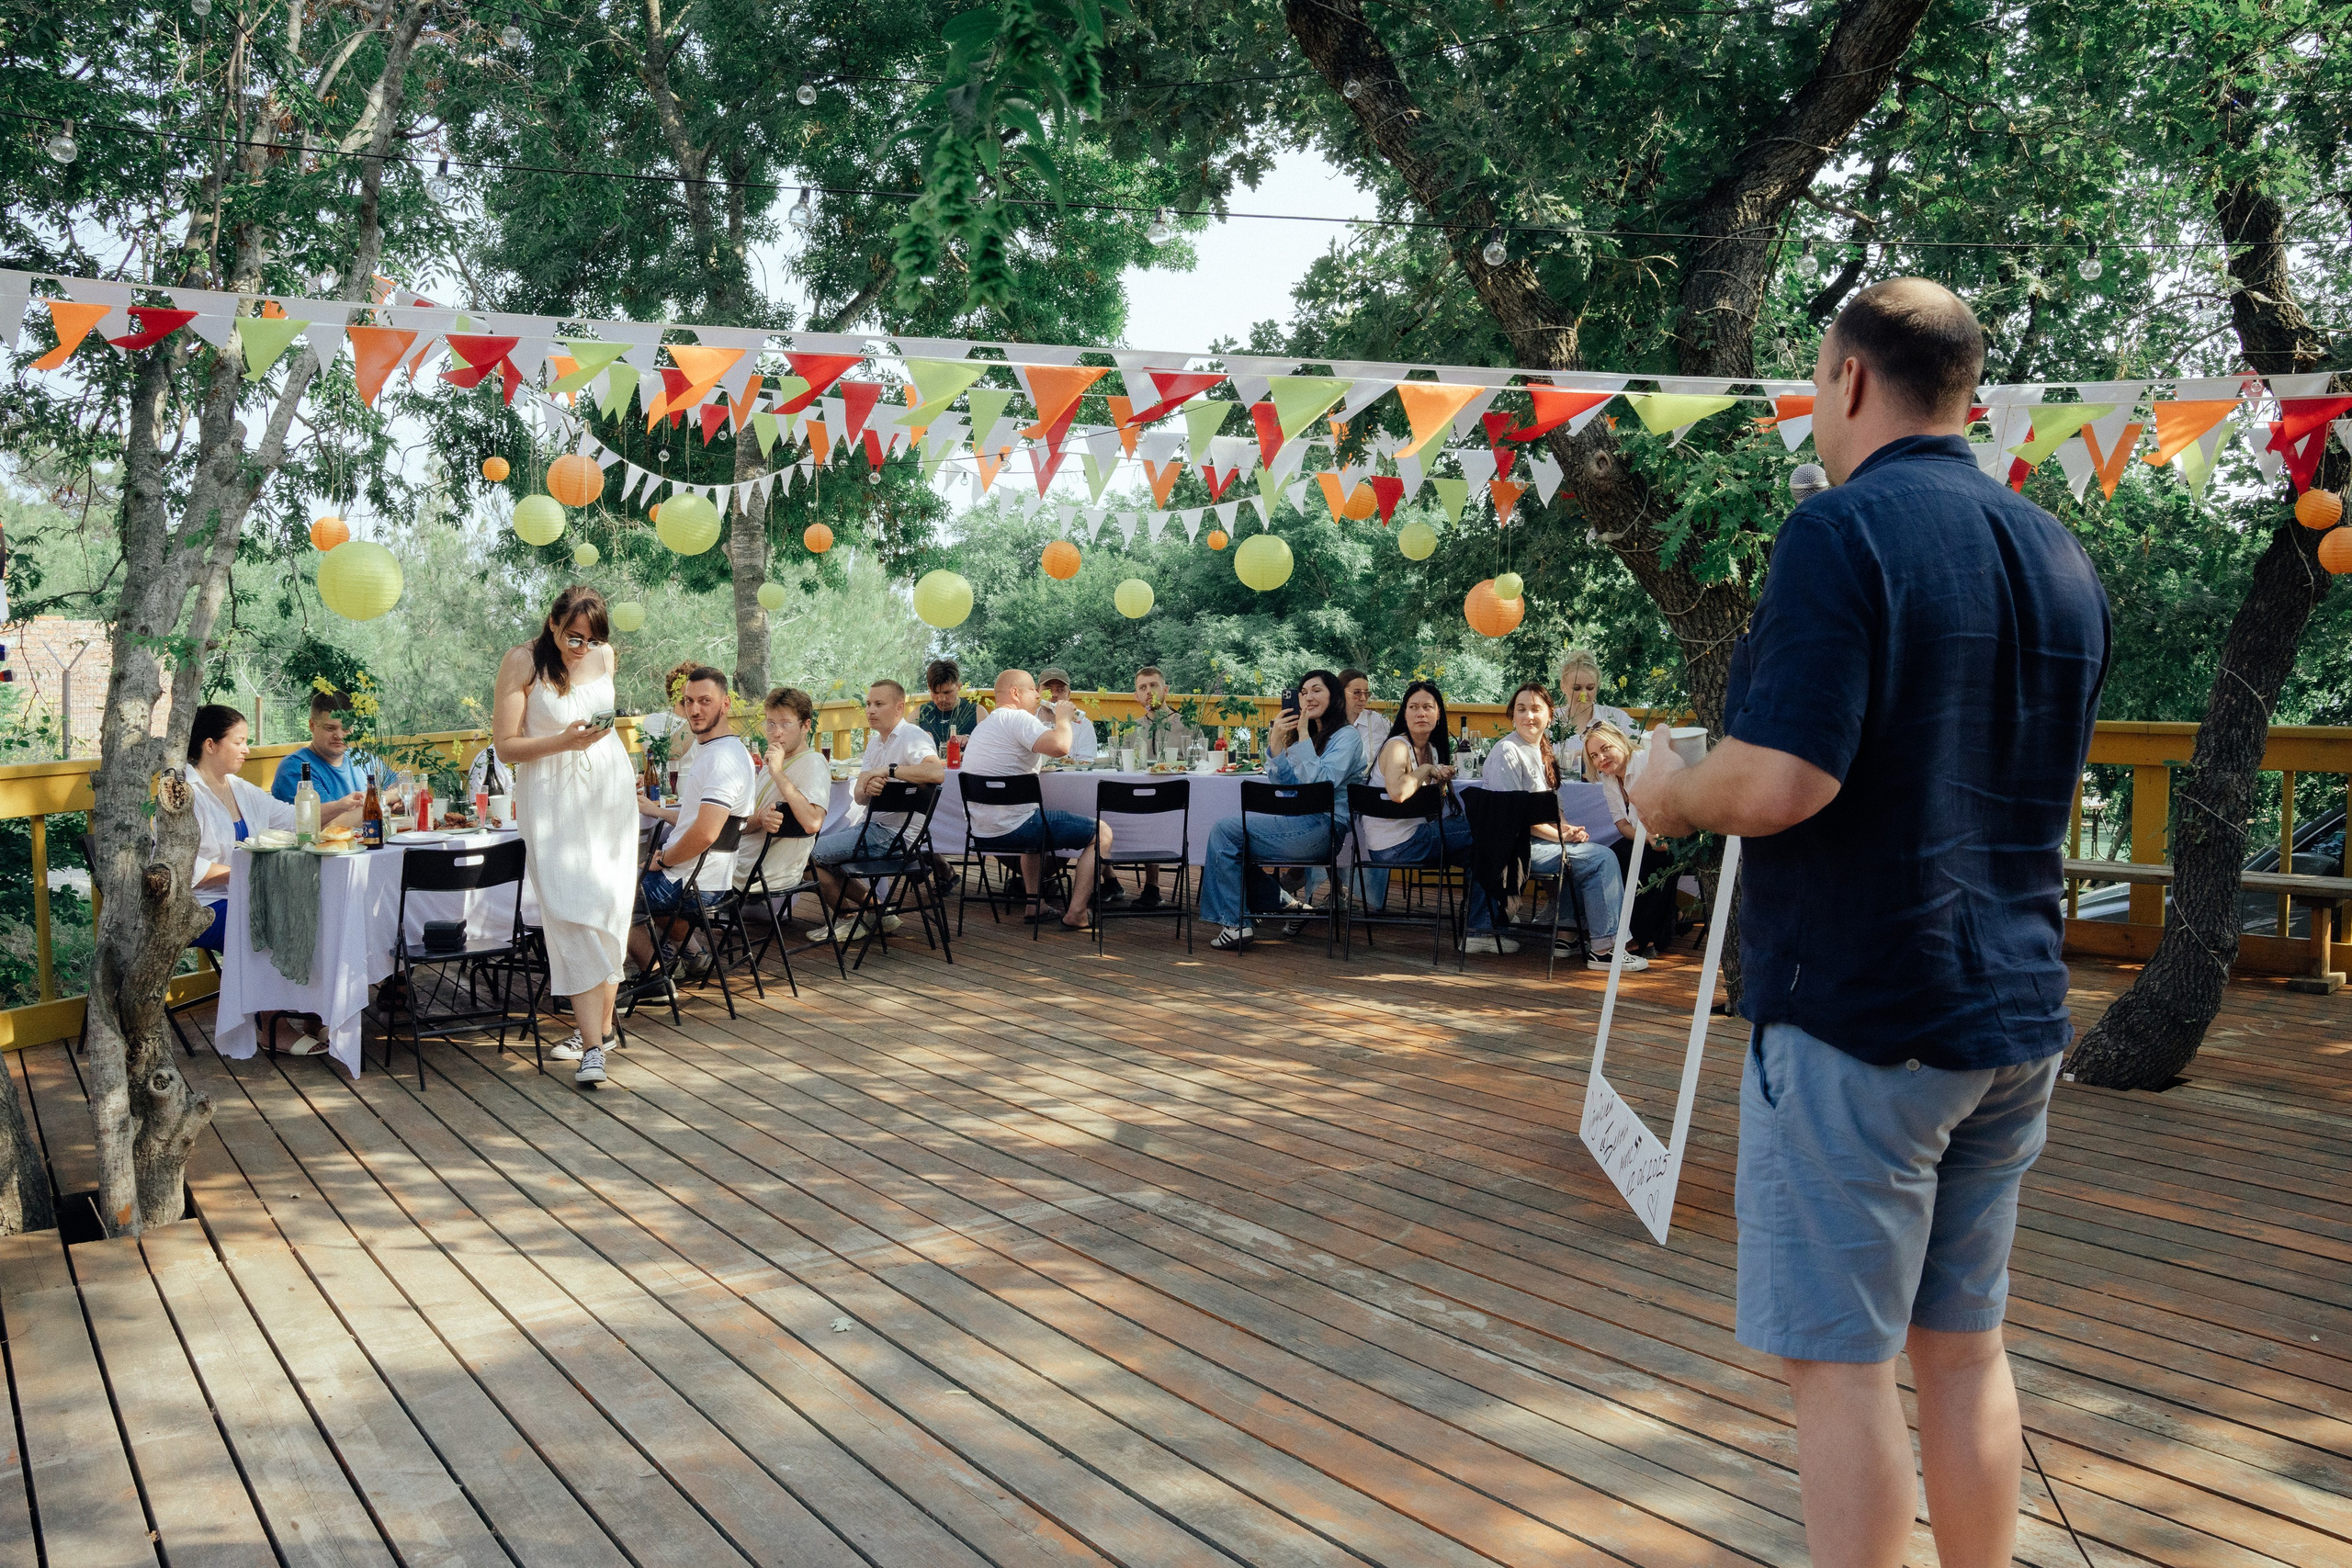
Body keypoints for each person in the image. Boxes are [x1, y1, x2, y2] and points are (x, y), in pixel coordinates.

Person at [1628, 278, 2110, 1568]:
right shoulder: (2060, 550)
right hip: (2014, 1011)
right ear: (1970, 394)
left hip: (1861, 1013)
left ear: (1847, 380)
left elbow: (1783, 778)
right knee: (1964, 1350)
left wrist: (1668, 790)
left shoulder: (1840, 533)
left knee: (1838, 1367)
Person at [493, 585, 638, 1089]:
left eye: (592, 639)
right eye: (574, 637)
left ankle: (598, 1030)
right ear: (552, 624)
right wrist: (564, 741)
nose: (582, 648)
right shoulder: (522, 662)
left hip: (609, 792)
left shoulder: (604, 657)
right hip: (553, 798)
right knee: (571, 910)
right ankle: (594, 1049)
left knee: (611, 907)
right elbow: (506, 747)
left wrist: (593, 736)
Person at [185, 705, 329, 1053]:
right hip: (198, 906)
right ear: (210, 745)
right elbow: (188, 871)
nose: (247, 749)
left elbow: (293, 818)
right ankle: (271, 1028)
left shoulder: (238, 787)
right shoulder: (184, 795)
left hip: (243, 895)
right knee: (266, 920)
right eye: (240, 741)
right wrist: (253, 876)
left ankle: (314, 1012)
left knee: (314, 909)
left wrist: (345, 805)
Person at [1474, 682, 1645, 968]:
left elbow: (1554, 809)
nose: (1529, 715)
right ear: (1512, 716)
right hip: (1514, 847)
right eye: (1522, 709)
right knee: (1602, 858)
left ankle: (1566, 932)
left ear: (1550, 716)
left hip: (1538, 841)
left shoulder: (1540, 752)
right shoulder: (1508, 752)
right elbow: (1513, 820)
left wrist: (1567, 830)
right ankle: (1605, 949)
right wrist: (1560, 836)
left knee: (1590, 849)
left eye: (1536, 709)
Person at [1201, 669, 1363, 951]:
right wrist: (1276, 740)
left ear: (1334, 696)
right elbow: (1286, 786)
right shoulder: (1313, 735)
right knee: (1228, 848)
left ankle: (1236, 924)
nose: (1308, 697)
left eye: (1316, 690)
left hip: (1323, 829)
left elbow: (1322, 783)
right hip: (1300, 824)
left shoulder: (1347, 737)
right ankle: (1290, 907)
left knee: (1225, 832)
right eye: (1303, 692)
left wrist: (1301, 733)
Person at [630, 667, 756, 982]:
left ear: (726, 704)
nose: (695, 709)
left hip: (694, 882)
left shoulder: (721, 759)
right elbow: (697, 822)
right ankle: (694, 955)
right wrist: (659, 814)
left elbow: (705, 833)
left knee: (611, 897)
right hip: (707, 876)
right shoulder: (722, 750)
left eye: (705, 701)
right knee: (636, 878)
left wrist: (663, 860)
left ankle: (657, 977)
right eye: (688, 701)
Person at [959, 670, 1110, 931]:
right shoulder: (1018, 718)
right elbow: (1061, 746)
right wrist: (1063, 718)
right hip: (1016, 828)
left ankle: (1034, 904)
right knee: (1102, 832)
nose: (1040, 695)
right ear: (1015, 694)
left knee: (1031, 813)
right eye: (1033, 689)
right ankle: (1076, 913)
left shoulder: (984, 727)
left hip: (980, 832)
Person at [807, 679, 945, 942]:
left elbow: (936, 772)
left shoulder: (910, 736)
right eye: (869, 704)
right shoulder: (875, 743)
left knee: (808, 856)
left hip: (895, 837)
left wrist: (889, 771)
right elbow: (859, 798)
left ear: (899, 708)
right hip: (873, 829)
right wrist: (867, 788)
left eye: (879, 704)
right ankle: (873, 914)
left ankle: (855, 918)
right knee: (811, 858)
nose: (871, 710)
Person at [1354, 681, 1473, 913]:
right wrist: (1427, 769)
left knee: (1481, 851)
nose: (1421, 713)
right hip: (1395, 846)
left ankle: (1481, 919)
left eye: (1428, 707)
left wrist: (1441, 783)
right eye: (1413, 707)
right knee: (1487, 825)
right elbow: (1398, 794)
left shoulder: (1432, 748)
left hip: (1416, 838)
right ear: (1404, 714)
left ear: (1438, 714)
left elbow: (1430, 809)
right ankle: (1483, 921)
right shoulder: (1397, 746)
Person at [1584, 721, 1676, 957]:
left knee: (1646, 864)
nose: (1601, 758)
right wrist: (1646, 840)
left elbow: (1672, 808)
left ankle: (1644, 937)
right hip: (1645, 837)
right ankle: (1617, 932)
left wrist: (1656, 839)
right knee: (1608, 858)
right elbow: (1622, 824)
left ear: (1620, 741)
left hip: (1670, 835)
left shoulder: (1644, 761)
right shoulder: (1609, 778)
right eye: (1594, 755)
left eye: (1605, 748)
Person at [735, 688, 831, 912]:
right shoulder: (770, 765)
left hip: (767, 867)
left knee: (687, 869)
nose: (776, 732)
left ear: (805, 726)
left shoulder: (813, 763)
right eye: (770, 723)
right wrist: (759, 818)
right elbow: (743, 825)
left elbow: (813, 823)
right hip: (746, 855)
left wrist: (778, 772)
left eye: (785, 724)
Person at [1126, 666, 1194, 908]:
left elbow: (1199, 765)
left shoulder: (1186, 725)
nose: (1149, 692)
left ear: (1165, 690)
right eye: (1142, 688)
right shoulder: (1131, 728)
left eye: (1153, 686)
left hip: (1180, 803)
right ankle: (1116, 881)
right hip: (1141, 803)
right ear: (1136, 696)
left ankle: (1154, 886)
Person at [268, 689, 368, 825]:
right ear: (312, 725)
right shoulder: (297, 768)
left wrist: (396, 799)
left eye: (346, 729)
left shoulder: (361, 759)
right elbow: (329, 825)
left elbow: (400, 785)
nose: (339, 736)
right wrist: (381, 801)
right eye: (330, 728)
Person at [1556, 649, 1637, 780]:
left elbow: (1641, 744)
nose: (1584, 694)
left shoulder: (1615, 717)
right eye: (1576, 688)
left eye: (1590, 688)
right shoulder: (1551, 719)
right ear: (1563, 686)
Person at [914, 658, 980, 749]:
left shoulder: (977, 712)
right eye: (935, 692)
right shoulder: (919, 713)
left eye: (947, 692)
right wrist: (916, 737)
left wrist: (970, 739)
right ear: (929, 688)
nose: (941, 699)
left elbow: (992, 744)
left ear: (959, 686)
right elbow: (901, 741)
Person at [1038, 668, 1098, 762]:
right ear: (1038, 691)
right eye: (1048, 689)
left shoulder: (1083, 724)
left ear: (1069, 694)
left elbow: (1086, 762)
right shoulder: (1028, 719)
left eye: (1060, 690)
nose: (1054, 694)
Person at [1340, 669, 1389, 766]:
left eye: (1366, 693)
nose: (1363, 698)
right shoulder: (1330, 723)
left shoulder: (1376, 720)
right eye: (1357, 693)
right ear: (1341, 692)